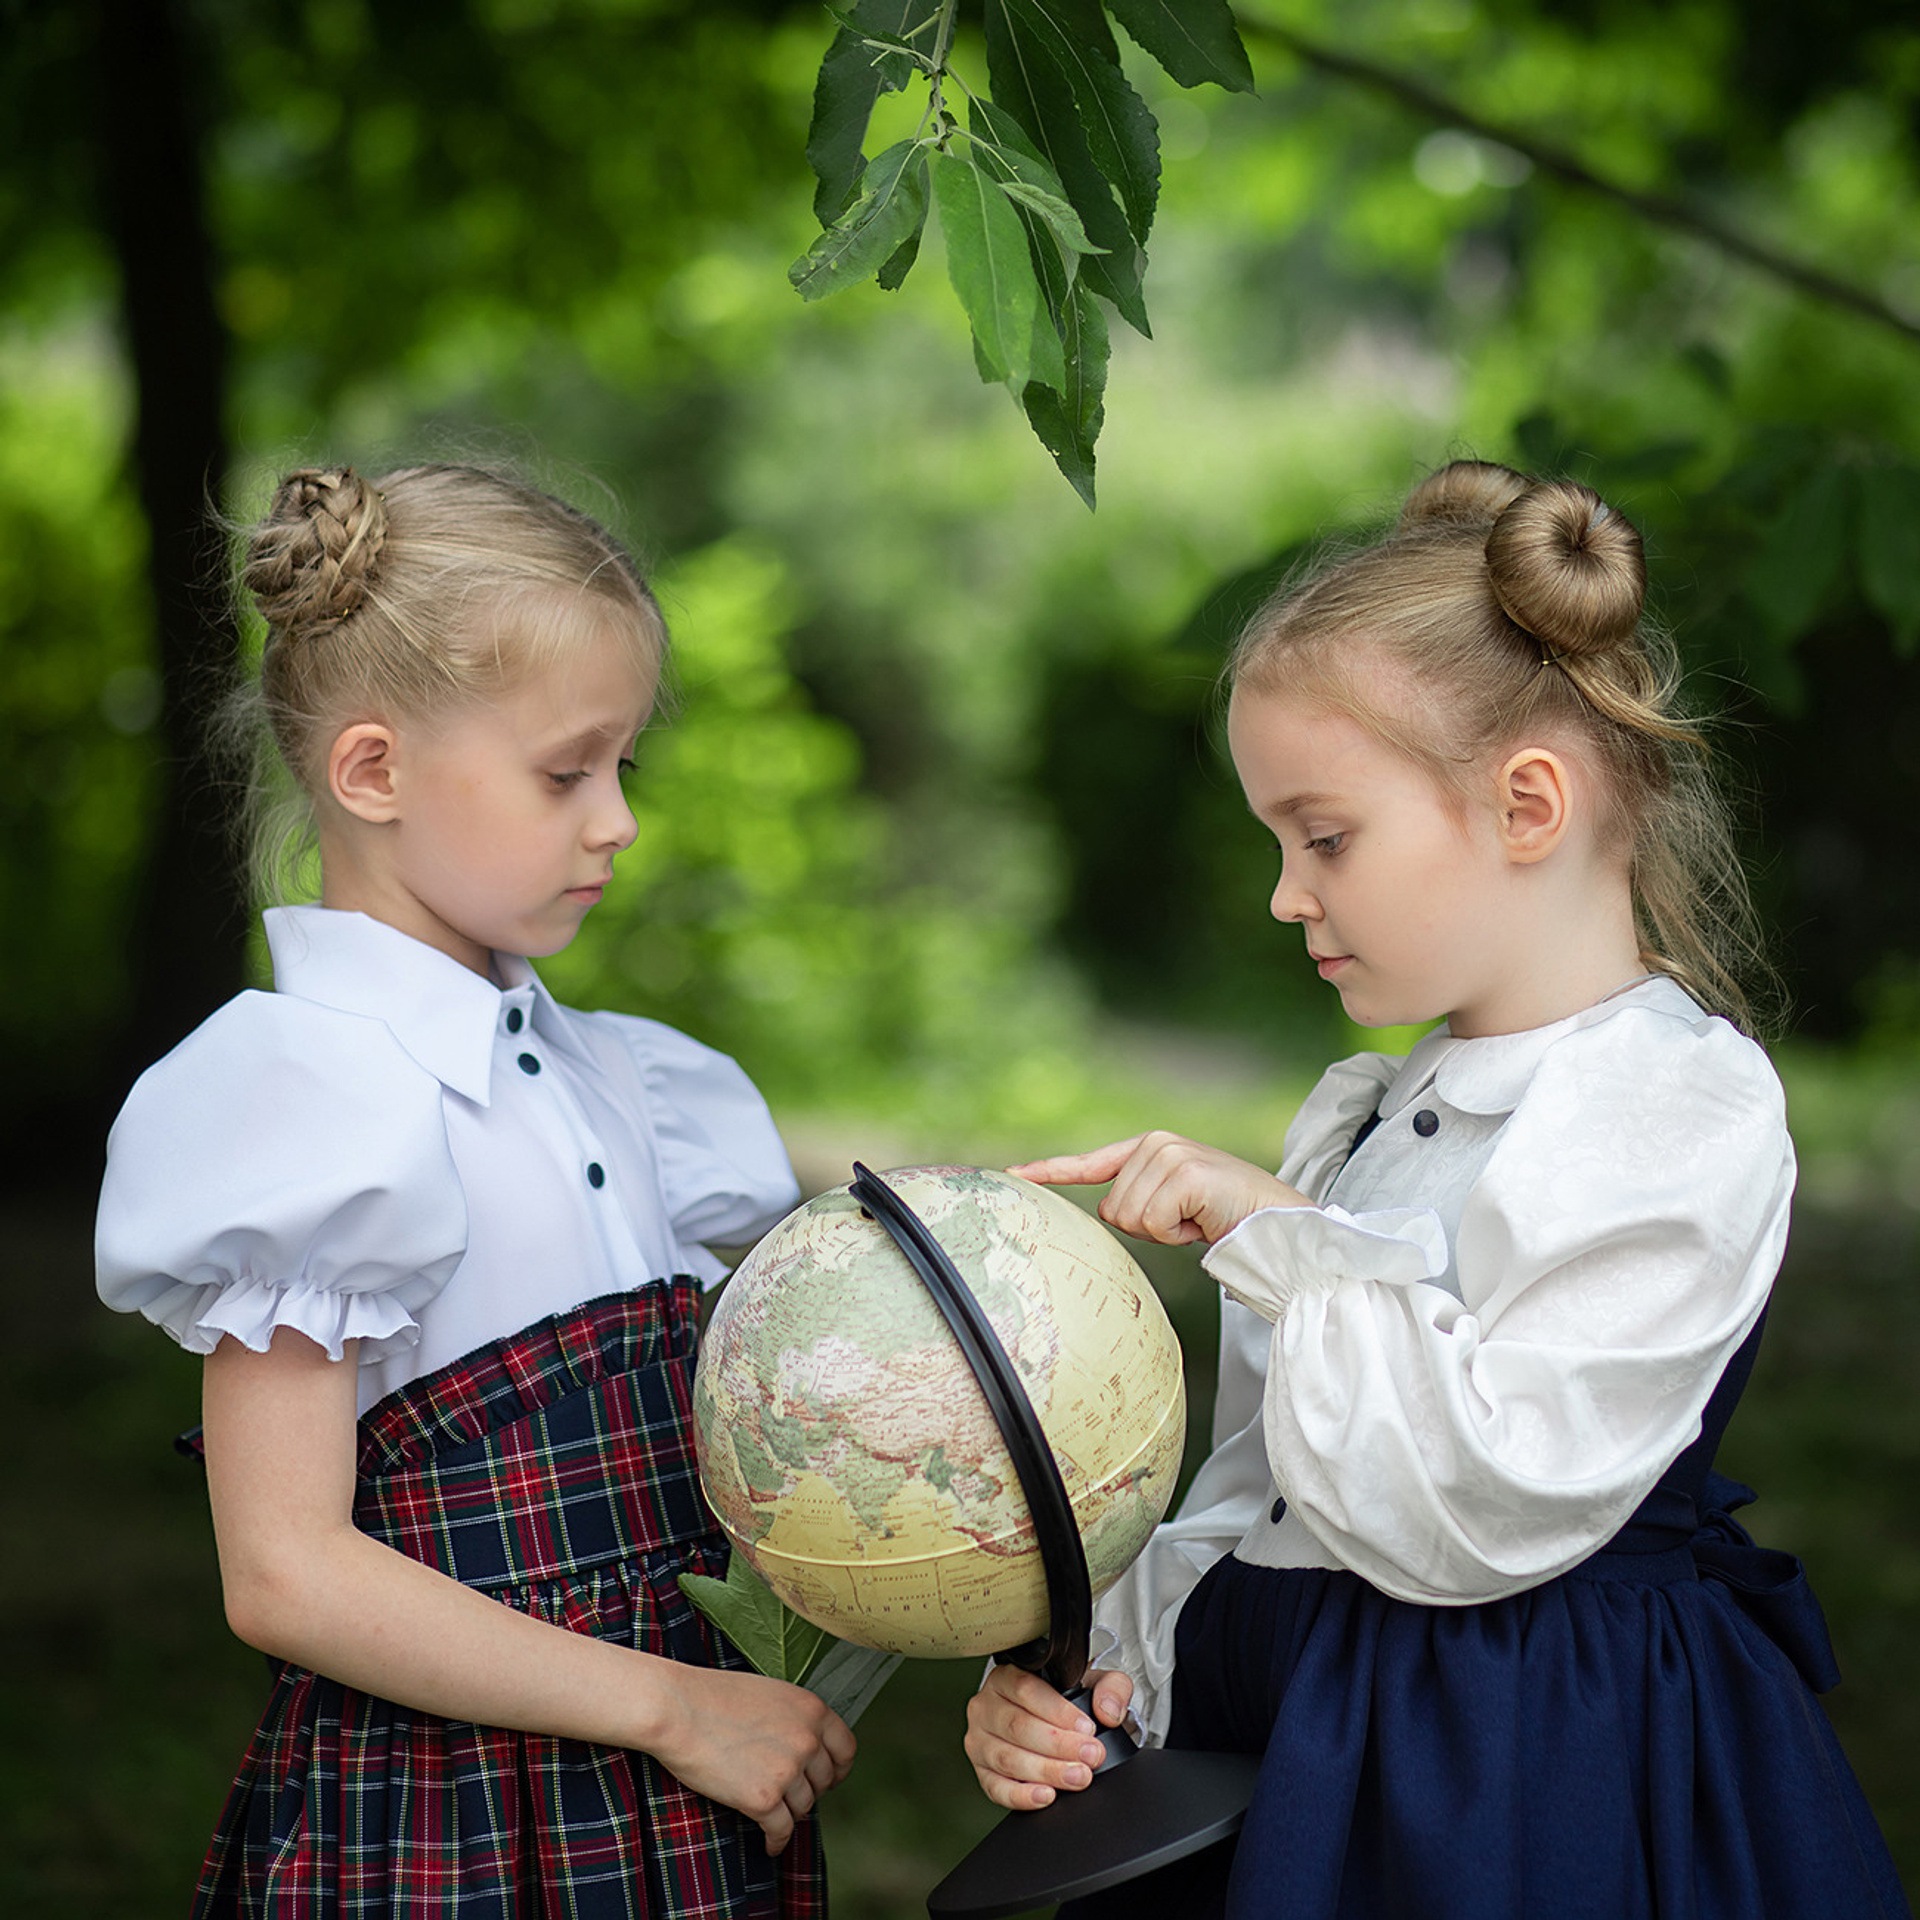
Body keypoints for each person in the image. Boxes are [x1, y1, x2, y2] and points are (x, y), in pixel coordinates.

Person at [965, 461, 1909, 1917]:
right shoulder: (1371, 1113)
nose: (1288, 895)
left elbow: (1481, 1496)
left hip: (1513, 1769)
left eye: (1324, 836)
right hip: (1288, 1728)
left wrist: (1278, 1233)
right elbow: (1267, 1486)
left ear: (1529, 804)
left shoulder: (1667, 1104)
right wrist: (1110, 1677)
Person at [96, 464, 852, 1919]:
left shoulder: (624, 1083)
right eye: (567, 773)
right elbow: (284, 1573)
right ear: (371, 773)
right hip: (449, 1827)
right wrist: (676, 1710)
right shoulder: (304, 1106)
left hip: (675, 1810)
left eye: (626, 766)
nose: (617, 819)